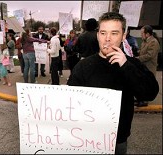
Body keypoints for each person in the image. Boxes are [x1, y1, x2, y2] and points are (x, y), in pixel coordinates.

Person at [67, 12, 159, 154]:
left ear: (123, 36)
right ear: (98, 35)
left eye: (114, 33)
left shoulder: (132, 64)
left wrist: (125, 65)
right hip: (87, 138)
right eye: (103, 33)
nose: (107, 39)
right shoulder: (83, 67)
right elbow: (70, 103)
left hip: (118, 140)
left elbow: (150, 92)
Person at [135, 25, 160, 107]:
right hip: (143, 67)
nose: (141, 35)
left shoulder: (153, 42)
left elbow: (149, 55)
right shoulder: (144, 41)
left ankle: (145, 100)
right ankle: (141, 99)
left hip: (149, 67)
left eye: (142, 33)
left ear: (148, 34)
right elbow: (143, 52)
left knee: (148, 84)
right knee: (142, 83)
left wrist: (137, 58)